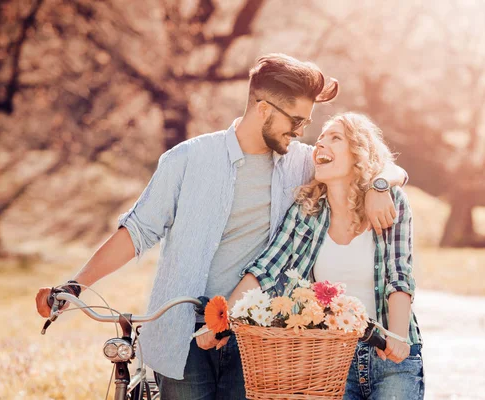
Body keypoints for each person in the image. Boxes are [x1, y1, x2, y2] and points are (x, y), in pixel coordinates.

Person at [35, 54, 408, 400]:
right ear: (263, 109)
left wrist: (380, 185)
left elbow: (368, 163)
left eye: (306, 123)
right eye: (296, 121)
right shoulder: (188, 159)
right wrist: (74, 286)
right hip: (183, 333)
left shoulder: (302, 163)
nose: (301, 131)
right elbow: (137, 231)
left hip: (257, 337)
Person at [226, 112, 424, 399]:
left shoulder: (389, 202)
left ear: (358, 152)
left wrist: (396, 337)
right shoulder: (307, 212)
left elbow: (399, 274)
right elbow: (266, 270)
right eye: (319, 140)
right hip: (330, 358)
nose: (320, 145)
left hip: (392, 356)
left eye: (335, 138)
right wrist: (219, 321)